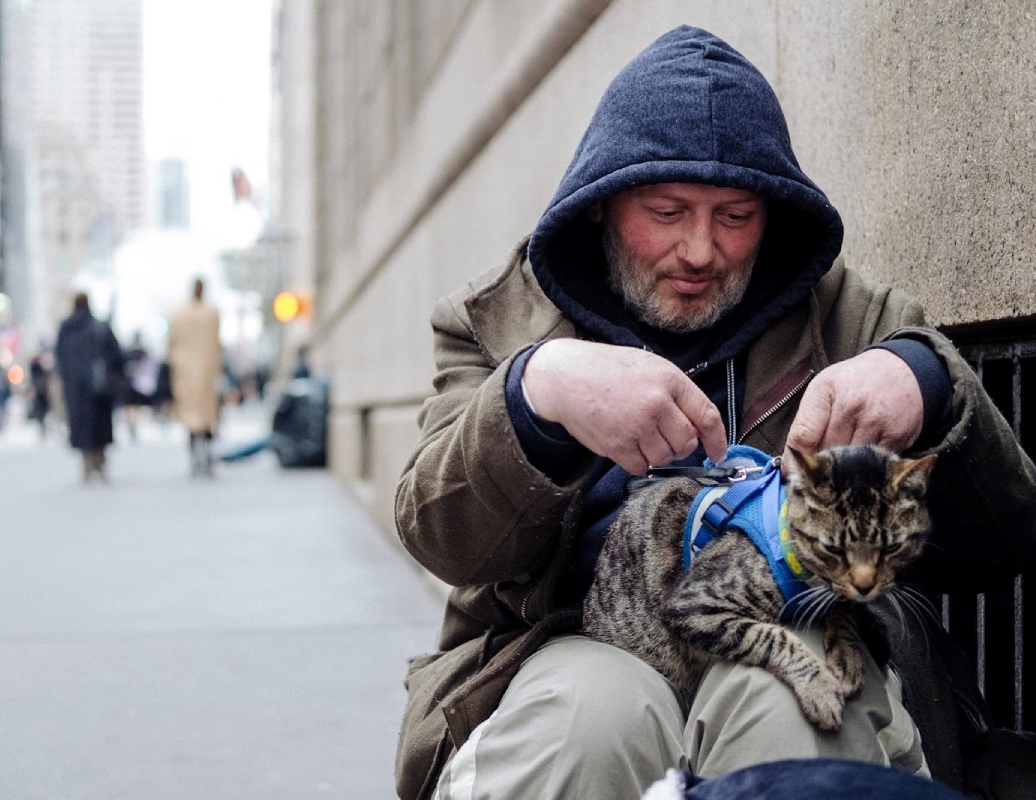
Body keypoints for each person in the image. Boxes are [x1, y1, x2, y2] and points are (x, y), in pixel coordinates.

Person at [393, 25, 1036, 800]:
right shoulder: (494, 321)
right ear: (600, 204)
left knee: (793, 711)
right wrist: (536, 395)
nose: (700, 250)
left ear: (774, 214)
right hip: (567, 648)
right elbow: (438, 532)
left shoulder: (854, 318)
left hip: (803, 630)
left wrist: (928, 381)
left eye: (735, 216)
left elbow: (1011, 534)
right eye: (666, 211)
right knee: (590, 720)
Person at [54, 292, 123, 482]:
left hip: (76, 389)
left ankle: (87, 461)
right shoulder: (100, 327)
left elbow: (59, 360)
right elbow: (117, 357)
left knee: (81, 425)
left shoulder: (66, 329)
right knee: (99, 425)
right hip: (99, 388)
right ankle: (99, 460)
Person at [167, 278, 223, 477]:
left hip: (187, 374)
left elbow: (171, 344)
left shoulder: (180, 314)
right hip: (204, 372)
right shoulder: (210, 313)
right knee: (205, 419)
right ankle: (204, 458)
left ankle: (197, 459)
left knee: (192, 419)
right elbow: (218, 343)